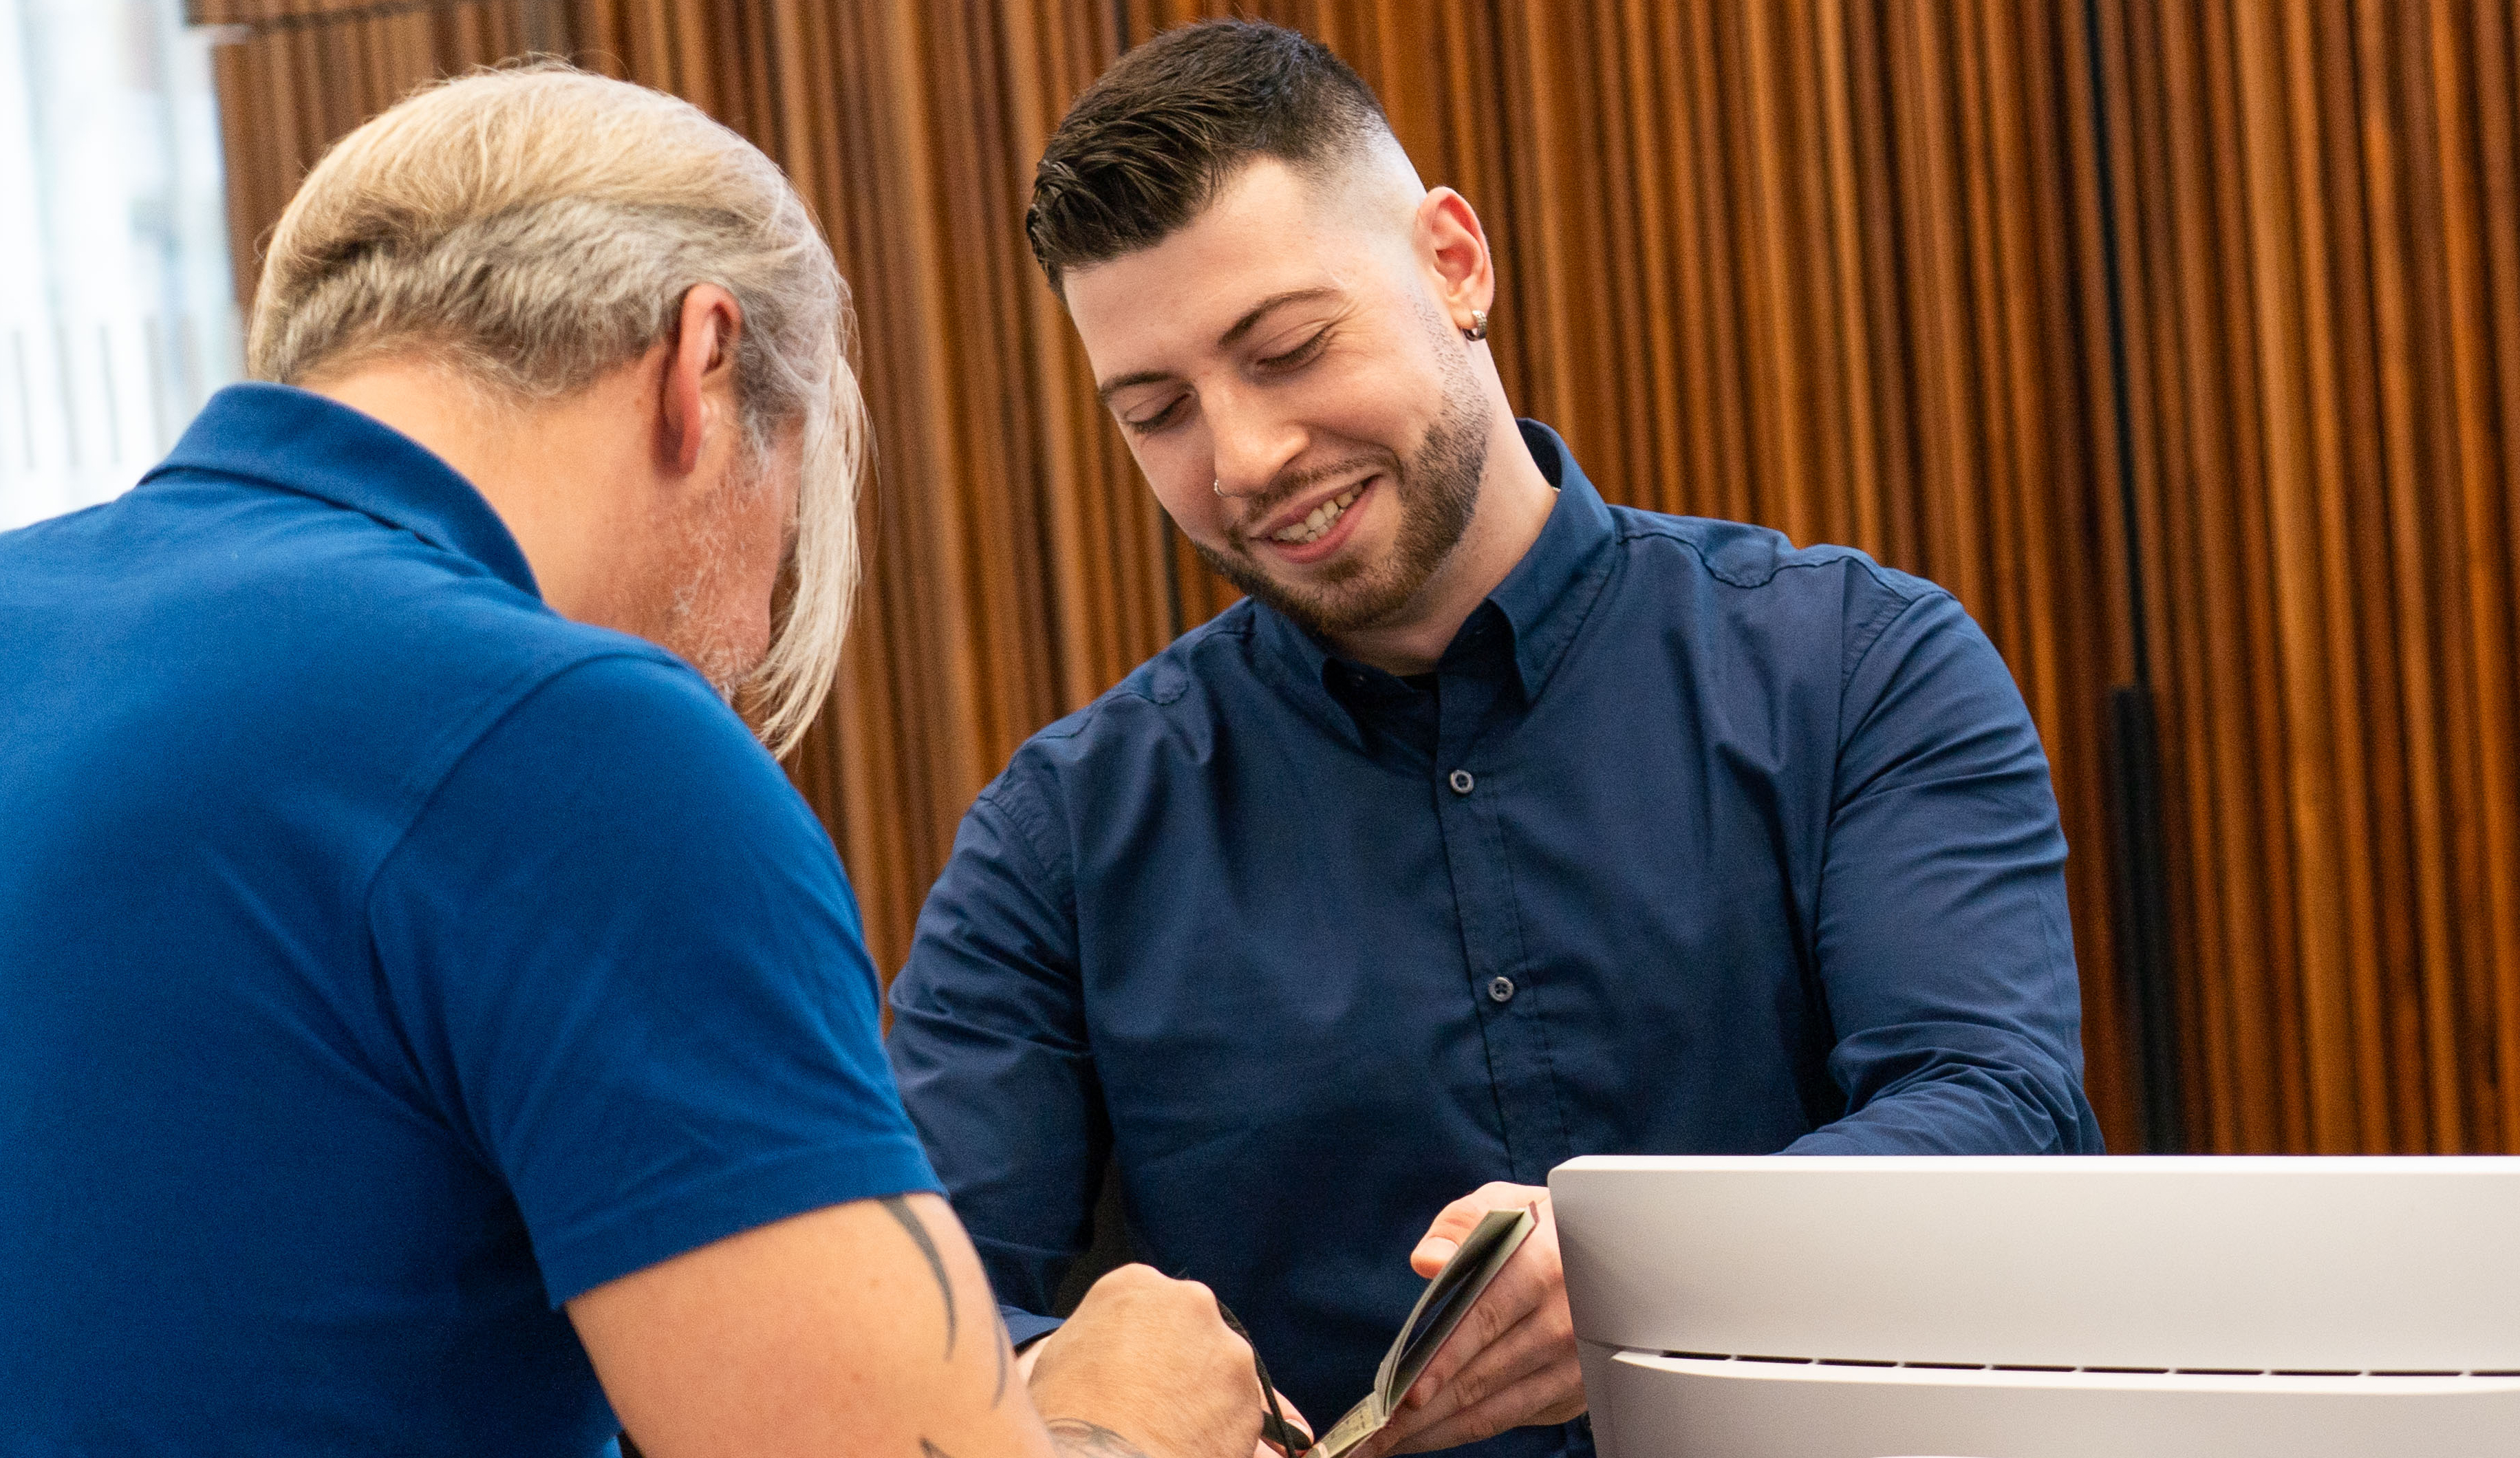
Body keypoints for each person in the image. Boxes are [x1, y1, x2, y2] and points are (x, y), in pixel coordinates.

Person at [0, 66, 1273, 1458]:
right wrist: (1130, 1418)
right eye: (787, 504)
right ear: (703, 366)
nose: (740, 643)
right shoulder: (576, 738)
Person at [890, 19, 2101, 1458]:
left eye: (1285, 350)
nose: (1242, 459)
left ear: (1453, 264)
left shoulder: (1854, 670)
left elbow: (1999, 1113)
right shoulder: (1062, 842)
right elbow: (920, 1330)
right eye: (1156, 413)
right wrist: (1103, 1411)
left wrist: (1645, 1258)